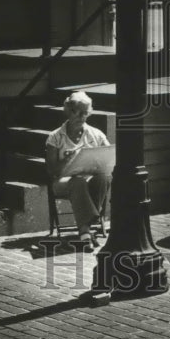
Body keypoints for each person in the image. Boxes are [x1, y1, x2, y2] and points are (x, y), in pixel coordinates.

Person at [45, 91, 111, 250]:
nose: (83, 117)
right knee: (78, 182)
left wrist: (97, 162)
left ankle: (85, 232)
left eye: (86, 113)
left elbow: (109, 159)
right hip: (63, 182)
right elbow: (52, 170)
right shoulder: (55, 137)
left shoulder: (96, 134)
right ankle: (89, 226)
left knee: (103, 178)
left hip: (89, 180)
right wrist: (69, 159)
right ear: (68, 110)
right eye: (79, 112)